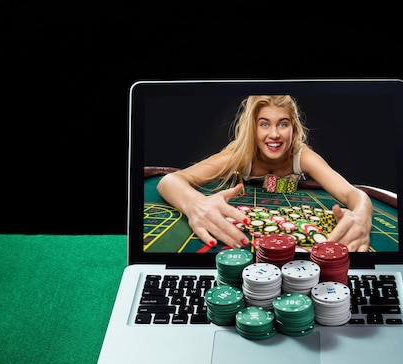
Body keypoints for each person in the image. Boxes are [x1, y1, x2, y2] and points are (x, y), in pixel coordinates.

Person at [157, 95, 373, 252]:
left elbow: (353, 194)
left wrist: (362, 217)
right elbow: (170, 181)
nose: (274, 134)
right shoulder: (240, 155)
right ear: (253, 128)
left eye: (283, 124)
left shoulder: (302, 155)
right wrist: (196, 204)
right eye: (264, 124)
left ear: (293, 129)